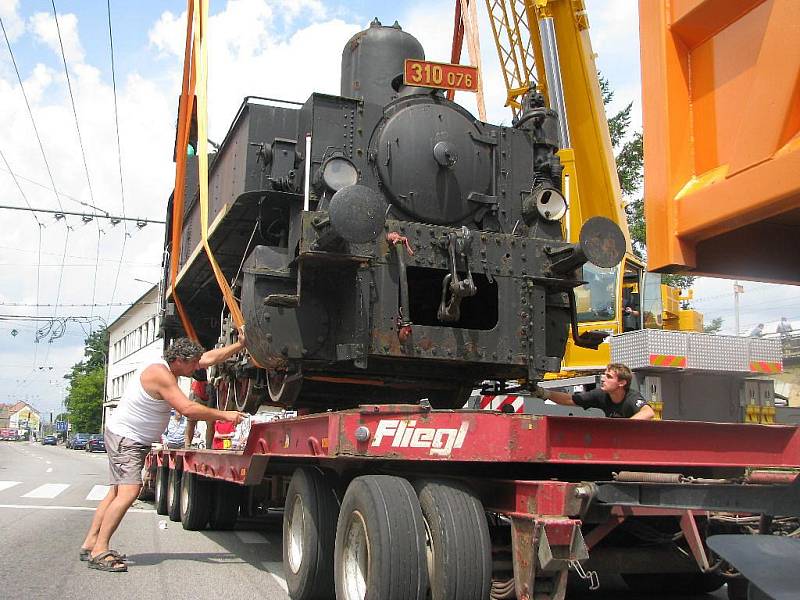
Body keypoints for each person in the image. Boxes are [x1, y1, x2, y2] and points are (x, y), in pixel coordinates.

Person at [79, 332, 248, 572]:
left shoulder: (171, 365)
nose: (196, 370)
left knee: (116, 492)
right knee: (129, 492)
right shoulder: (161, 375)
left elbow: (209, 358)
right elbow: (187, 409)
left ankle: (90, 544)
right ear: (179, 359)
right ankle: (99, 551)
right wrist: (226, 415)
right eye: (192, 364)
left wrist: (240, 345)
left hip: (126, 437)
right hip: (127, 439)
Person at [535, 363, 655, 420]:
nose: (603, 379)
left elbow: (648, 412)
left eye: (609, 377)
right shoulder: (600, 395)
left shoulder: (632, 397)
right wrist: (545, 393)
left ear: (622, 383)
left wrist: (624, 428)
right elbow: (570, 399)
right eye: (604, 375)